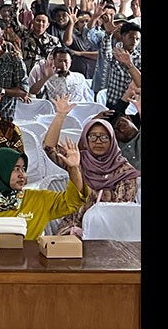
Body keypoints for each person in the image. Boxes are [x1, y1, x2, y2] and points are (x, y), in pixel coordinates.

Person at [42, 94, 140, 237]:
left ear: (113, 140)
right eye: (92, 137)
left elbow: (121, 211)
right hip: (74, 227)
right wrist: (60, 116)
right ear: (86, 140)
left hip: (111, 233)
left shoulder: (125, 171)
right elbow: (49, 148)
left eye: (104, 137)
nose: (98, 141)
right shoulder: (79, 160)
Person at [0, 144, 88, 240]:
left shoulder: (39, 199)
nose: (22, 174)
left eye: (23, 169)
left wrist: (73, 168)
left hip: (29, 261)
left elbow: (74, 200)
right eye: (15, 169)